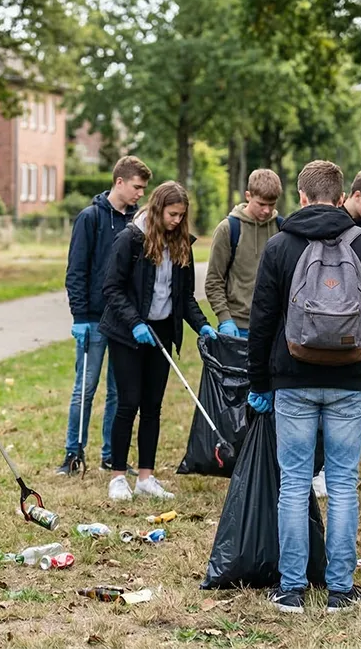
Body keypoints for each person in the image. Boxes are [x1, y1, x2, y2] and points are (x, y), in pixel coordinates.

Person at [245, 160, 361, 614]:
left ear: (300, 197)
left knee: (293, 482)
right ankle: (340, 589)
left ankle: (291, 589)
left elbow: (261, 322)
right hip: (349, 382)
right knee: (344, 483)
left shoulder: (279, 246)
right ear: (339, 197)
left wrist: (259, 382)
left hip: (292, 379)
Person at [98, 181, 218, 501]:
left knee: (153, 406)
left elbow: (184, 297)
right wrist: (135, 323)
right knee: (128, 403)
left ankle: (146, 478)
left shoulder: (182, 245)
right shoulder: (131, 239)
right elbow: (112, 289)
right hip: (128, 334)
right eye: (172, 214)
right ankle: (118, 476)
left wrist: (203, 326)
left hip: (161, 334)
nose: (176, 221)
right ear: (157, 208)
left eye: (181, 215)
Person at [59, 155, 151, 475]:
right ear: (119, 182)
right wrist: (79, 316)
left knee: (119, 392)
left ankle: (111, 455)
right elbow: (77, 270)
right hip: (94, 320)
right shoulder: (90, 218)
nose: (141, 194)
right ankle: (73, 454)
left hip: (125, 321)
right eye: (137, 187)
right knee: (85, 387)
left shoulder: (138, 222)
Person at [205, 169, 284, 338]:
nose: (266, 211)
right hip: (237, 325)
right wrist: (224, 318)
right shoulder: (228, 229)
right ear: (248, 195)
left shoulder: (281, 228)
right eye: (261, 204)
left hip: (273, 326)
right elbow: (214, 281)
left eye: (272, 204)